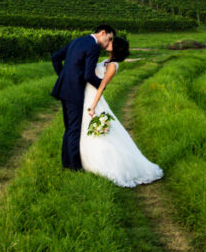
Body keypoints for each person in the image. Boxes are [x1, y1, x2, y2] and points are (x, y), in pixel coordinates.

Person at [80, 36, 163, 187]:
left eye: (111, 42)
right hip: (86, 95)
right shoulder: (106, 60)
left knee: (100, 133)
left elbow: (102, 86)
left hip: (94, 98)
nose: (108, 43)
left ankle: (105, 165)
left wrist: (93, 106)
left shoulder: (113, 66)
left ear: (116, 47)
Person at [50, 24, 116, 170]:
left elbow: (55, 58)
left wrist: (64, 77)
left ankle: (66, 163)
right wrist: (102, 84)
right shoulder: (93, 46)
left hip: (63, 89)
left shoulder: (76, 41)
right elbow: (88, 75)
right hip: (75, 91)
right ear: (102, 33)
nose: (108, 43)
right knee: (74, 128)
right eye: (109, 38)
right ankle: (75, 167)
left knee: (69, 127)